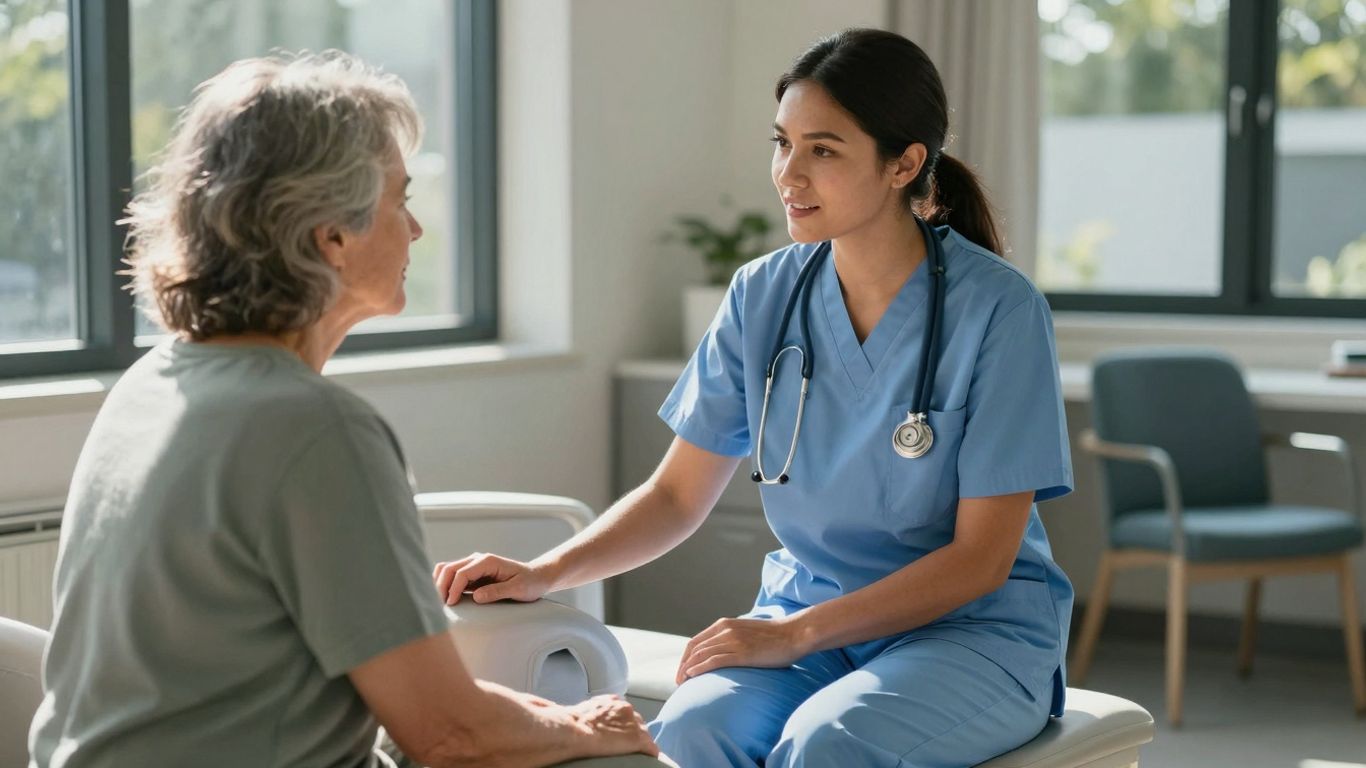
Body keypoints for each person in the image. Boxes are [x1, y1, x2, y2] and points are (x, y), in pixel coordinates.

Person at [433, 28, 1074, 768]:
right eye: (782, 143)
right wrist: (544, 572)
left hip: (969, 633)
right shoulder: (763, 293)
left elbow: (979, 561)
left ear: (904, 164)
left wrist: (794, 635)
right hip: (809, 617)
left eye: (823, 150)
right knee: (691, 730)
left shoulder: (999, 310)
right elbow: (676, 496)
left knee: (829, 744)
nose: (788, 175)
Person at [28, 52, 658, 768]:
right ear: (331, 235)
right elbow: (452, 737)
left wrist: (549, 719)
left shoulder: (152, 383)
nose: (415, 230)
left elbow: (412, 703)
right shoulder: (314, 429)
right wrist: (587, 730)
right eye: (400, 201)